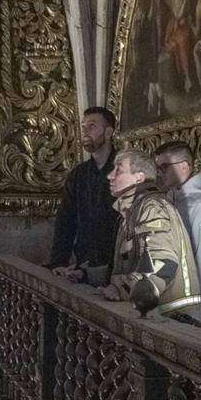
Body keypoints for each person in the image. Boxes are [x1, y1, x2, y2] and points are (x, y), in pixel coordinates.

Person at [96, 149, 201, 326]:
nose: (110, 176)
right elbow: (126, 266)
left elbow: (163, 264)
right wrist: (85, 274)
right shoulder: (132, 211)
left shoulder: (153, 207)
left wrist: (122, 288)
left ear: (139, 177)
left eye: (118, 170)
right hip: (158, 316)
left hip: (174, 318)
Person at [154, 141, 201, 327]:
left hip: (194, 312)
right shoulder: (176, 196)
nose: (158, 174)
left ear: (184, 166)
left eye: (163, 167)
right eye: (157, 168)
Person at [50, 108, 121, 282]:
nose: (85, 132)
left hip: (118, 268)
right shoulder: (78, 175)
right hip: (85, 264)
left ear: (109, 132)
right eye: (83, 127)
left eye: (92, 126)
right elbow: (65, 221)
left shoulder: (125, 171)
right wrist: (58, 262)